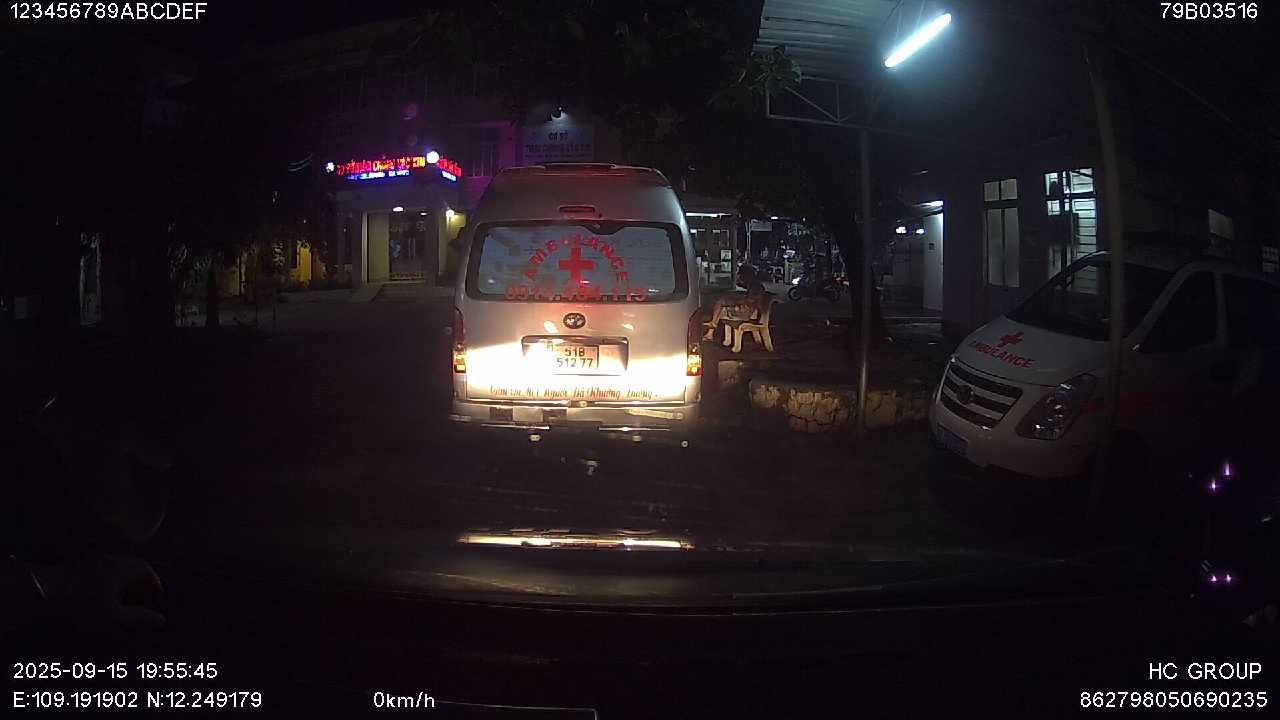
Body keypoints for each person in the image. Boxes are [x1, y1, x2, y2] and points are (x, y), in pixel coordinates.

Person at [703, 265, 768, 340]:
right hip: (745, 310)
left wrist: (735, 302)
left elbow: (750, 301)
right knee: (720, 304)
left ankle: (711, 328)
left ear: (747, 275)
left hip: (746, 312)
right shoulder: (753, 284)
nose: (741, 277)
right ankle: (711, 328)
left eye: (742, 275)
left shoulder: (756, 286)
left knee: (720, 309)